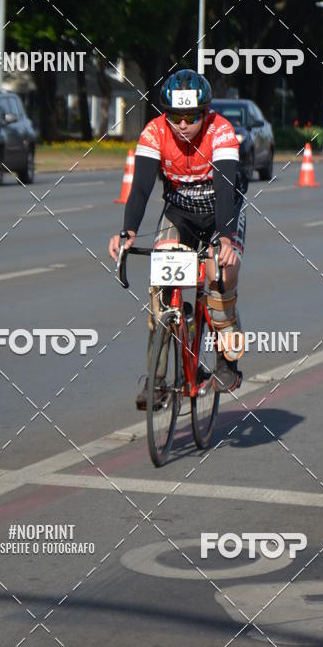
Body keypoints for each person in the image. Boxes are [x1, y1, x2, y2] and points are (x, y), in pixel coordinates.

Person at [108, 69, 247, 409]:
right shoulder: (154, 133)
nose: (183, 125)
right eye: (175, 117)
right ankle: (156, 383)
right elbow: (140, 188)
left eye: (191, 117)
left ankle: (227, 362)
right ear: (165, 114)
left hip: (221, 215)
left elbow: (227, 188)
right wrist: (127, 231)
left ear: (205, 112)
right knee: (160, 292)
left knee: (219, 277)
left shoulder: (221, 131)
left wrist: (226, 239)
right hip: (180, 214)